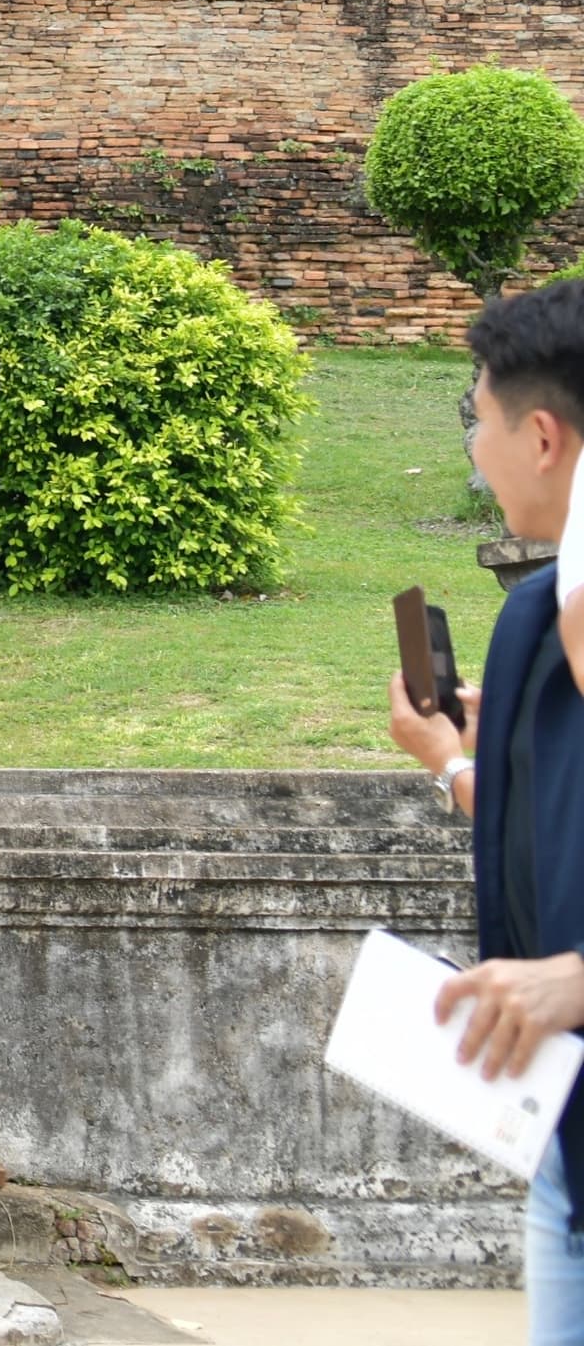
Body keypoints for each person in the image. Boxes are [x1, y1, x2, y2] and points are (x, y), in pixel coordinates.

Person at [390, 279, 584, 1333]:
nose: (475, 449)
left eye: (480, 420)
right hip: (567, 1140)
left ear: (541, 435)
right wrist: (459, 762)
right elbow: (550, 837)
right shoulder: (536, 616)